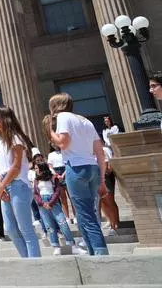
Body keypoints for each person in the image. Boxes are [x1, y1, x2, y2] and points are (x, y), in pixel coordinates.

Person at [44, 93, 109, 256]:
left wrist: (50, 131)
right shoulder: (85, 120)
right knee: (83, 213)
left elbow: (62, 142)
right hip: (92, 167)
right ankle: (91, 250)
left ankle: (101, 253)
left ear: (55, 106)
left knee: (87, 215)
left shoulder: (63, 118)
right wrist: (102, 179)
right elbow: (100, 152)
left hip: (76, 167)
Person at [0, 106, 40, 258]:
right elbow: (0, 165)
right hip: (5, 184)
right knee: (11, 229)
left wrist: (2, 185)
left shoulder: (16, 138)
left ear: (3, 119)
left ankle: (35, 265)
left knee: (26, 229)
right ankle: (27, 260)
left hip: (18, 184)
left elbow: (16, 167)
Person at [33, 160, 79, 255]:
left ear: (42, 168)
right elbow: (35, 194)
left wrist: (51, 202)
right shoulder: (36, 180)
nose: (35, 170)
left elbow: (57, 191)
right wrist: (42, 203)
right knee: (49, 226)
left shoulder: (53, 178)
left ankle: (73, 245)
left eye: (37, 168)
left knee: (62, 223)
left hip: (53, 201)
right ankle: (56, 246)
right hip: (42, 204)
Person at [47, 143, 75, 223]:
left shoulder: (66, 152)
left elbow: (68, 163)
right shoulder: (51, 155)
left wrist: (63, 174)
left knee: (71, 196)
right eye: (53, 144)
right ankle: (67, 217)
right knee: (63, 198)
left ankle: (75, 216)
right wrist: (56, 174)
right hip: (57, 173)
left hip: (66, 172)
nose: (55, 145)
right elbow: (50, 166)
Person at [100, 146, 120, 236]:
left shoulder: (103, 150)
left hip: (105, 178)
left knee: (109, 202)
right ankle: (110, 220)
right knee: (103, 202)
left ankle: (114, 225)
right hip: (95, 179)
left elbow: (108, 166)